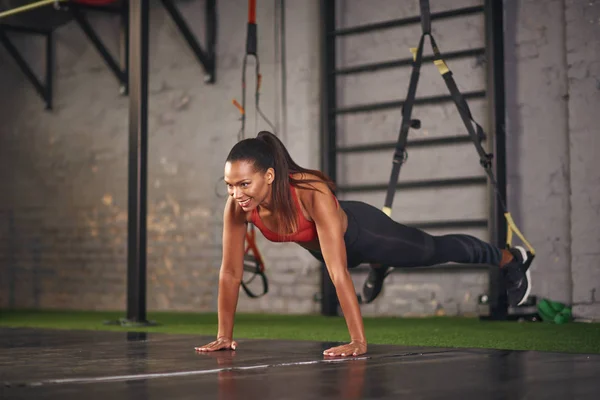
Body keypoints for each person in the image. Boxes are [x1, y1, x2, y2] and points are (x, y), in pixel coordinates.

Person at [195, 131, 532, 358]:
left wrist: (358, 340)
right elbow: (230, 273)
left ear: (269, 176)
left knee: (430, 250)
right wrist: (225, 336)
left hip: (363, 232)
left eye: (243, 183)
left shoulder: (312, 193)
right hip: (331, 248)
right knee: (356, 258)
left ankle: (507, 257)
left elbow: (337, 271)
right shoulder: (239, 208)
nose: (236, 194)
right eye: (229, 185)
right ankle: (378, 264)